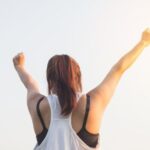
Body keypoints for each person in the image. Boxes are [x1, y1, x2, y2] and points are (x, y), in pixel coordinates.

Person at [13, 28, 150, 150]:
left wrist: (19, 67)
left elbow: (30, 84)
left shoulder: (38, 107)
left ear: (50, 79)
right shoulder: (92, 103)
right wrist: (143, 43)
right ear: (77, 78)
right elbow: (118, 70)